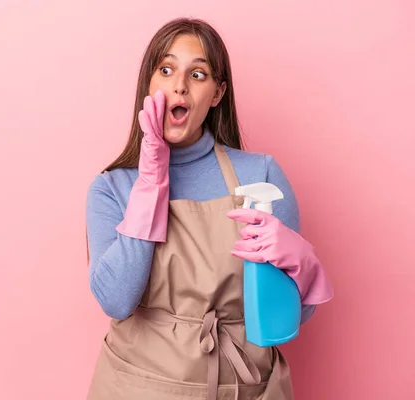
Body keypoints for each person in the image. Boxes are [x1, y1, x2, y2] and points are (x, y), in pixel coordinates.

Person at [85, 17, 333, 400]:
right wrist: (150, 182)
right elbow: (116, 301)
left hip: (242, 386)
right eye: (166, 70)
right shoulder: (112, 187)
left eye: (197, 74)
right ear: (149, 86)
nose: (179, 84)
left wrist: (302, 268)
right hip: (138, 386)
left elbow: (286, 320)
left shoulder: (260, 175)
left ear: (217, 94)